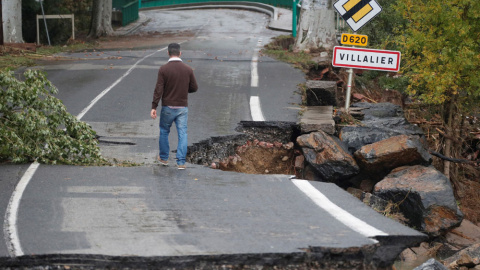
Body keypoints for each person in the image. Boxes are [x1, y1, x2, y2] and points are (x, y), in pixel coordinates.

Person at [150, 43, 198, 170]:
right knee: (182, 133)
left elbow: (158, 89)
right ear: (180, 53)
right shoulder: (188, 69)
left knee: (164, 131)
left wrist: (154, 106)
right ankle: (181, 162)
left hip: (167, 107)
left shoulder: (163, 69)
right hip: (182, 107)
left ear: (168, 53)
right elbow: (194, 88)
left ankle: (164, 158)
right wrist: (183, 89)